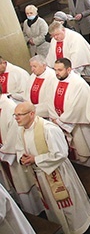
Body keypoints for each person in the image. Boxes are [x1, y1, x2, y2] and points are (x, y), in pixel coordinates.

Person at [15, 101, 90, 234]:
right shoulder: (22, 130)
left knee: (69, 205)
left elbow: (61, 153)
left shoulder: (48, 129)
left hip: (57, 173)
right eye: (15, 115)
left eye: (19, 115)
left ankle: (80, 228)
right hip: (40, 175)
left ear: (31, 114)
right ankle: (63, 229)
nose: (17, 118)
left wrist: (36, 159)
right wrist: (22, 158)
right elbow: (19, 148)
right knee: (53, 207)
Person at [49, 58, 90, 171]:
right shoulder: (54, 81)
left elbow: (77, 107)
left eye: (60, 70)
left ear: (69, 69)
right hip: (63, 123)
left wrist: (61, 120)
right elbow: (49, 100)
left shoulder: (78, 83)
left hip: (81, 126)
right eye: (55, 70)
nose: (57, 73)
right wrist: (54, 116)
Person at [0, 88, 44, 216]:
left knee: (23, 184)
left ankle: (35, 214)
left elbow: (15, 134)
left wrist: (3, 151)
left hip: (13, 155)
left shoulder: (9, 108)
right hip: (4, 154)